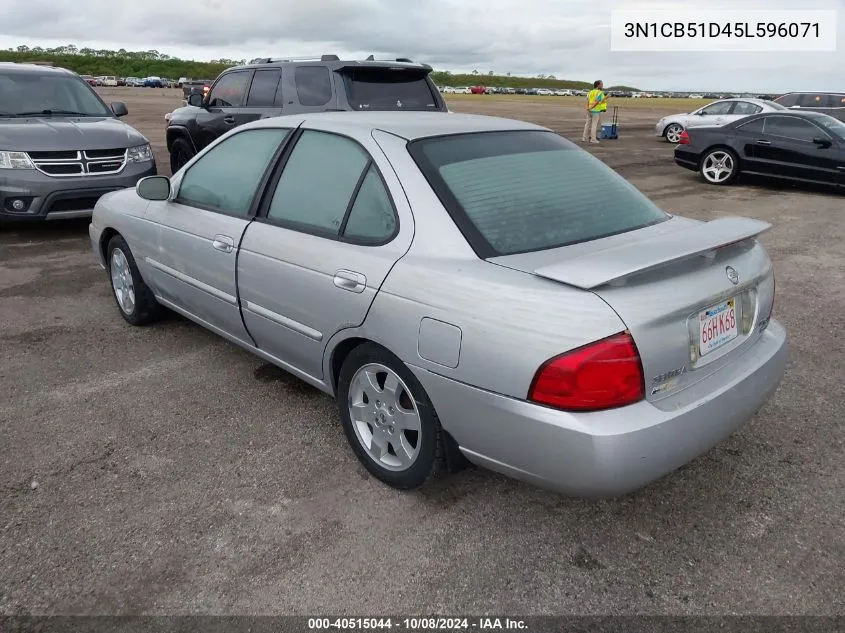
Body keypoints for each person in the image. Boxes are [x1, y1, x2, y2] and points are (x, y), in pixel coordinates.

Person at [582, 80, 607, 144]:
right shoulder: (599, 93)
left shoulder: (590, 92)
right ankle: (593, 139)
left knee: (587, 124)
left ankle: (584, 138)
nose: (602, 85)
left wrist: (588, 108)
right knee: (594, 125)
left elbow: (587, 101)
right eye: (601, 84)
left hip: (589, 110)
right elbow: (598, 102)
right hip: (595, 111)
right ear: (598, 85)